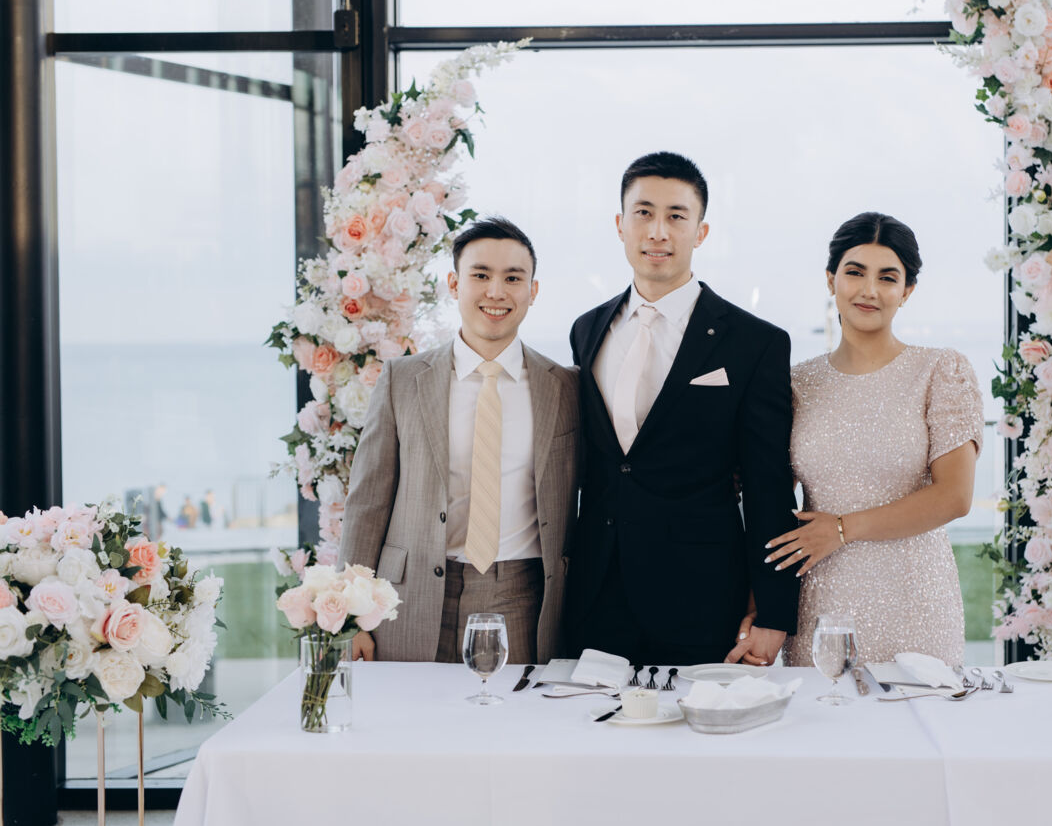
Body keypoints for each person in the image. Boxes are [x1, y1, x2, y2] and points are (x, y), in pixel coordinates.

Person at [565, 152, 798, 667]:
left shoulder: (754, 342)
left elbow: (768, 485)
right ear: (620, 225)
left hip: (702, 597)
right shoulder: (586, 329)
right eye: (643, 213)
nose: (658, 231)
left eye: (676, 216)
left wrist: (774, 612)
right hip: (595, 595)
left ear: (701, 231)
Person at [340, 217, 578, 664]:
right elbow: (367, 504)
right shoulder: (401, 380)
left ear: (533, 291)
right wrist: (352, 617)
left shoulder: (565, 387)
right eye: (480, 275)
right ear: (454, 284)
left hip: (523, 598)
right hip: (408, 598)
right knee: (413, 711)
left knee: (512, 711)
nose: (496, 292)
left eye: (513, 278)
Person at [765, 212, 982, 667]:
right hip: (822, 601)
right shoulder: (795, 384)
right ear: (831, 279)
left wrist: (842, 529)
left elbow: (955, 496)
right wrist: (759, 607)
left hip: (916, 599)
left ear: (907, 291)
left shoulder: (940, 371)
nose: (869, 290)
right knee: (822, 707)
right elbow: (770, 499)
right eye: (855, 272)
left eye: (887, 277)